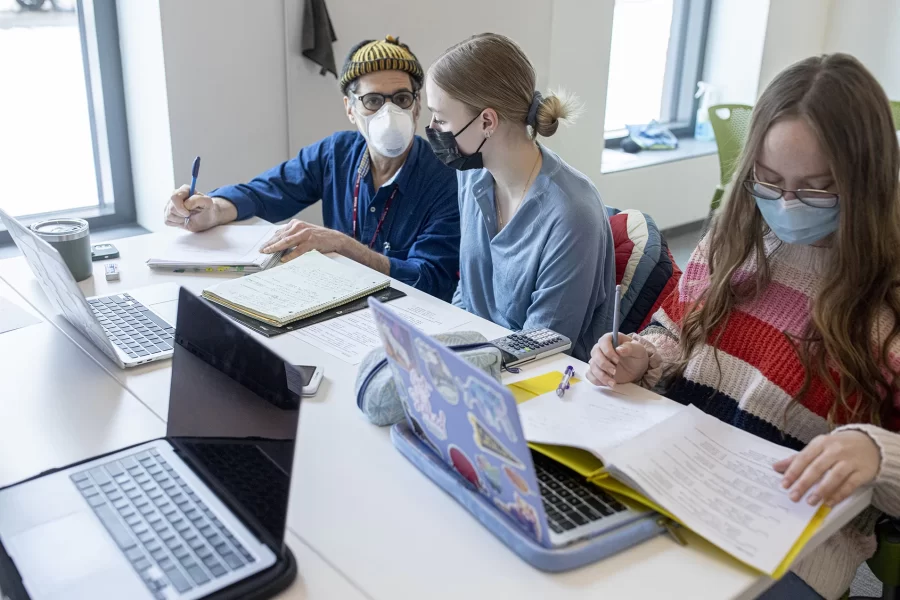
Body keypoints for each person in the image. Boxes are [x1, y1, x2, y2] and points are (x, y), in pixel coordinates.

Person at [587, 54, 900, 600]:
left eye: (817, 189)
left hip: (791, 550)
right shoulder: (734, 242)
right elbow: (674, 332)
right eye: (769, 181)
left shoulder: (885, 298)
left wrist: (876, 452)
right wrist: (645, 355)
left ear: (865, 180)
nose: (786, 205)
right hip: (679, 491)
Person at [163, 36, 460, 301]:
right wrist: (213, 210)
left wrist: (346, 246)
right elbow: (265, 193)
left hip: (409, 319)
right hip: (339, 305)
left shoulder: (445, 178)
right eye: (372, 100)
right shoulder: (336, 153)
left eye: (402, 99)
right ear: (349, 108)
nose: (389, 112)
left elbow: (432, 280)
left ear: (417, 106)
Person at [425, 33, 615, 361]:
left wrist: (457, 360)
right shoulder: (472, 175)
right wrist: (447, 346)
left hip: (548, 380)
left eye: (440, 119)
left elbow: (544, 343)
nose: (431, 127)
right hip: (481, 362)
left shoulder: (571, 214)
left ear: (487, 121)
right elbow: (468, 292)